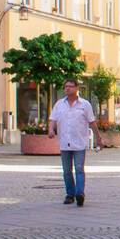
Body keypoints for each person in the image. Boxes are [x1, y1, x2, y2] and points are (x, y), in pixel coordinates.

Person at [48, 78, 101, 207]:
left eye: (70, 86)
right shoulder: (59, 104)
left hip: (79, 142)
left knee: (78, 168)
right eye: (66, 86)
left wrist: (98, 137)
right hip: (64, 142)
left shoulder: (85, 105)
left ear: (77, 88)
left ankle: (80, 194)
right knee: (66, 170)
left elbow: (92, 122)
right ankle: (70, 194)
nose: (67, 89)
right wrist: (50, 130)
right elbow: (53, 119)